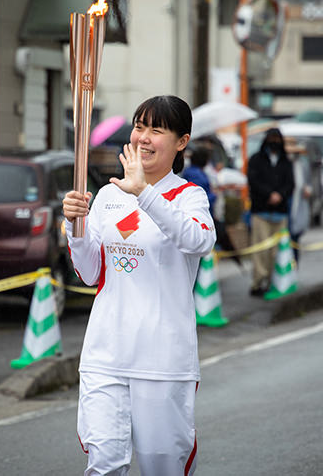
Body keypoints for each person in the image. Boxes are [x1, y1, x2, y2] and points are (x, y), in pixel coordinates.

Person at [62, 95, 215, 476]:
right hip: (106, 352)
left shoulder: (189, 196)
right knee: (104, 464)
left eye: (156, 130)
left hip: (162, 359)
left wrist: (144, 192)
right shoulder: (109, 196)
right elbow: (90, 272)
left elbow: (199, 241)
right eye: (139, 127)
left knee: (162, 466)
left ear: (181, 142)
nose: (143, 138)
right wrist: (75, 226)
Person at [246, 127, 294, 296]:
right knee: (260, 250)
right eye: (272, 138)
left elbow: (290, 183)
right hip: (261, 211)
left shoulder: (286, 161)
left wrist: (280, 195)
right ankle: (258, 282)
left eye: (277, 139)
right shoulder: (256, 159)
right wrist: (269, 194)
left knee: (277, 251)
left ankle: (276, 281)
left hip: (280, 212)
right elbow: (253, 180)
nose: (275, 142)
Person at [183, 146, 237, 254]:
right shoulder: (196, 175)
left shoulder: (192, 172)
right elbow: (201, 197)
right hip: (201, 217)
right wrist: (214, 194)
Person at [285, 139, 312, 264]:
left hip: (298, 202)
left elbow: (307, 182)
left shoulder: (302, 164)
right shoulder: (283, 163)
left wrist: (308, 189)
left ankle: (294, 265)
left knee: (295, 238)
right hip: (285, 206)